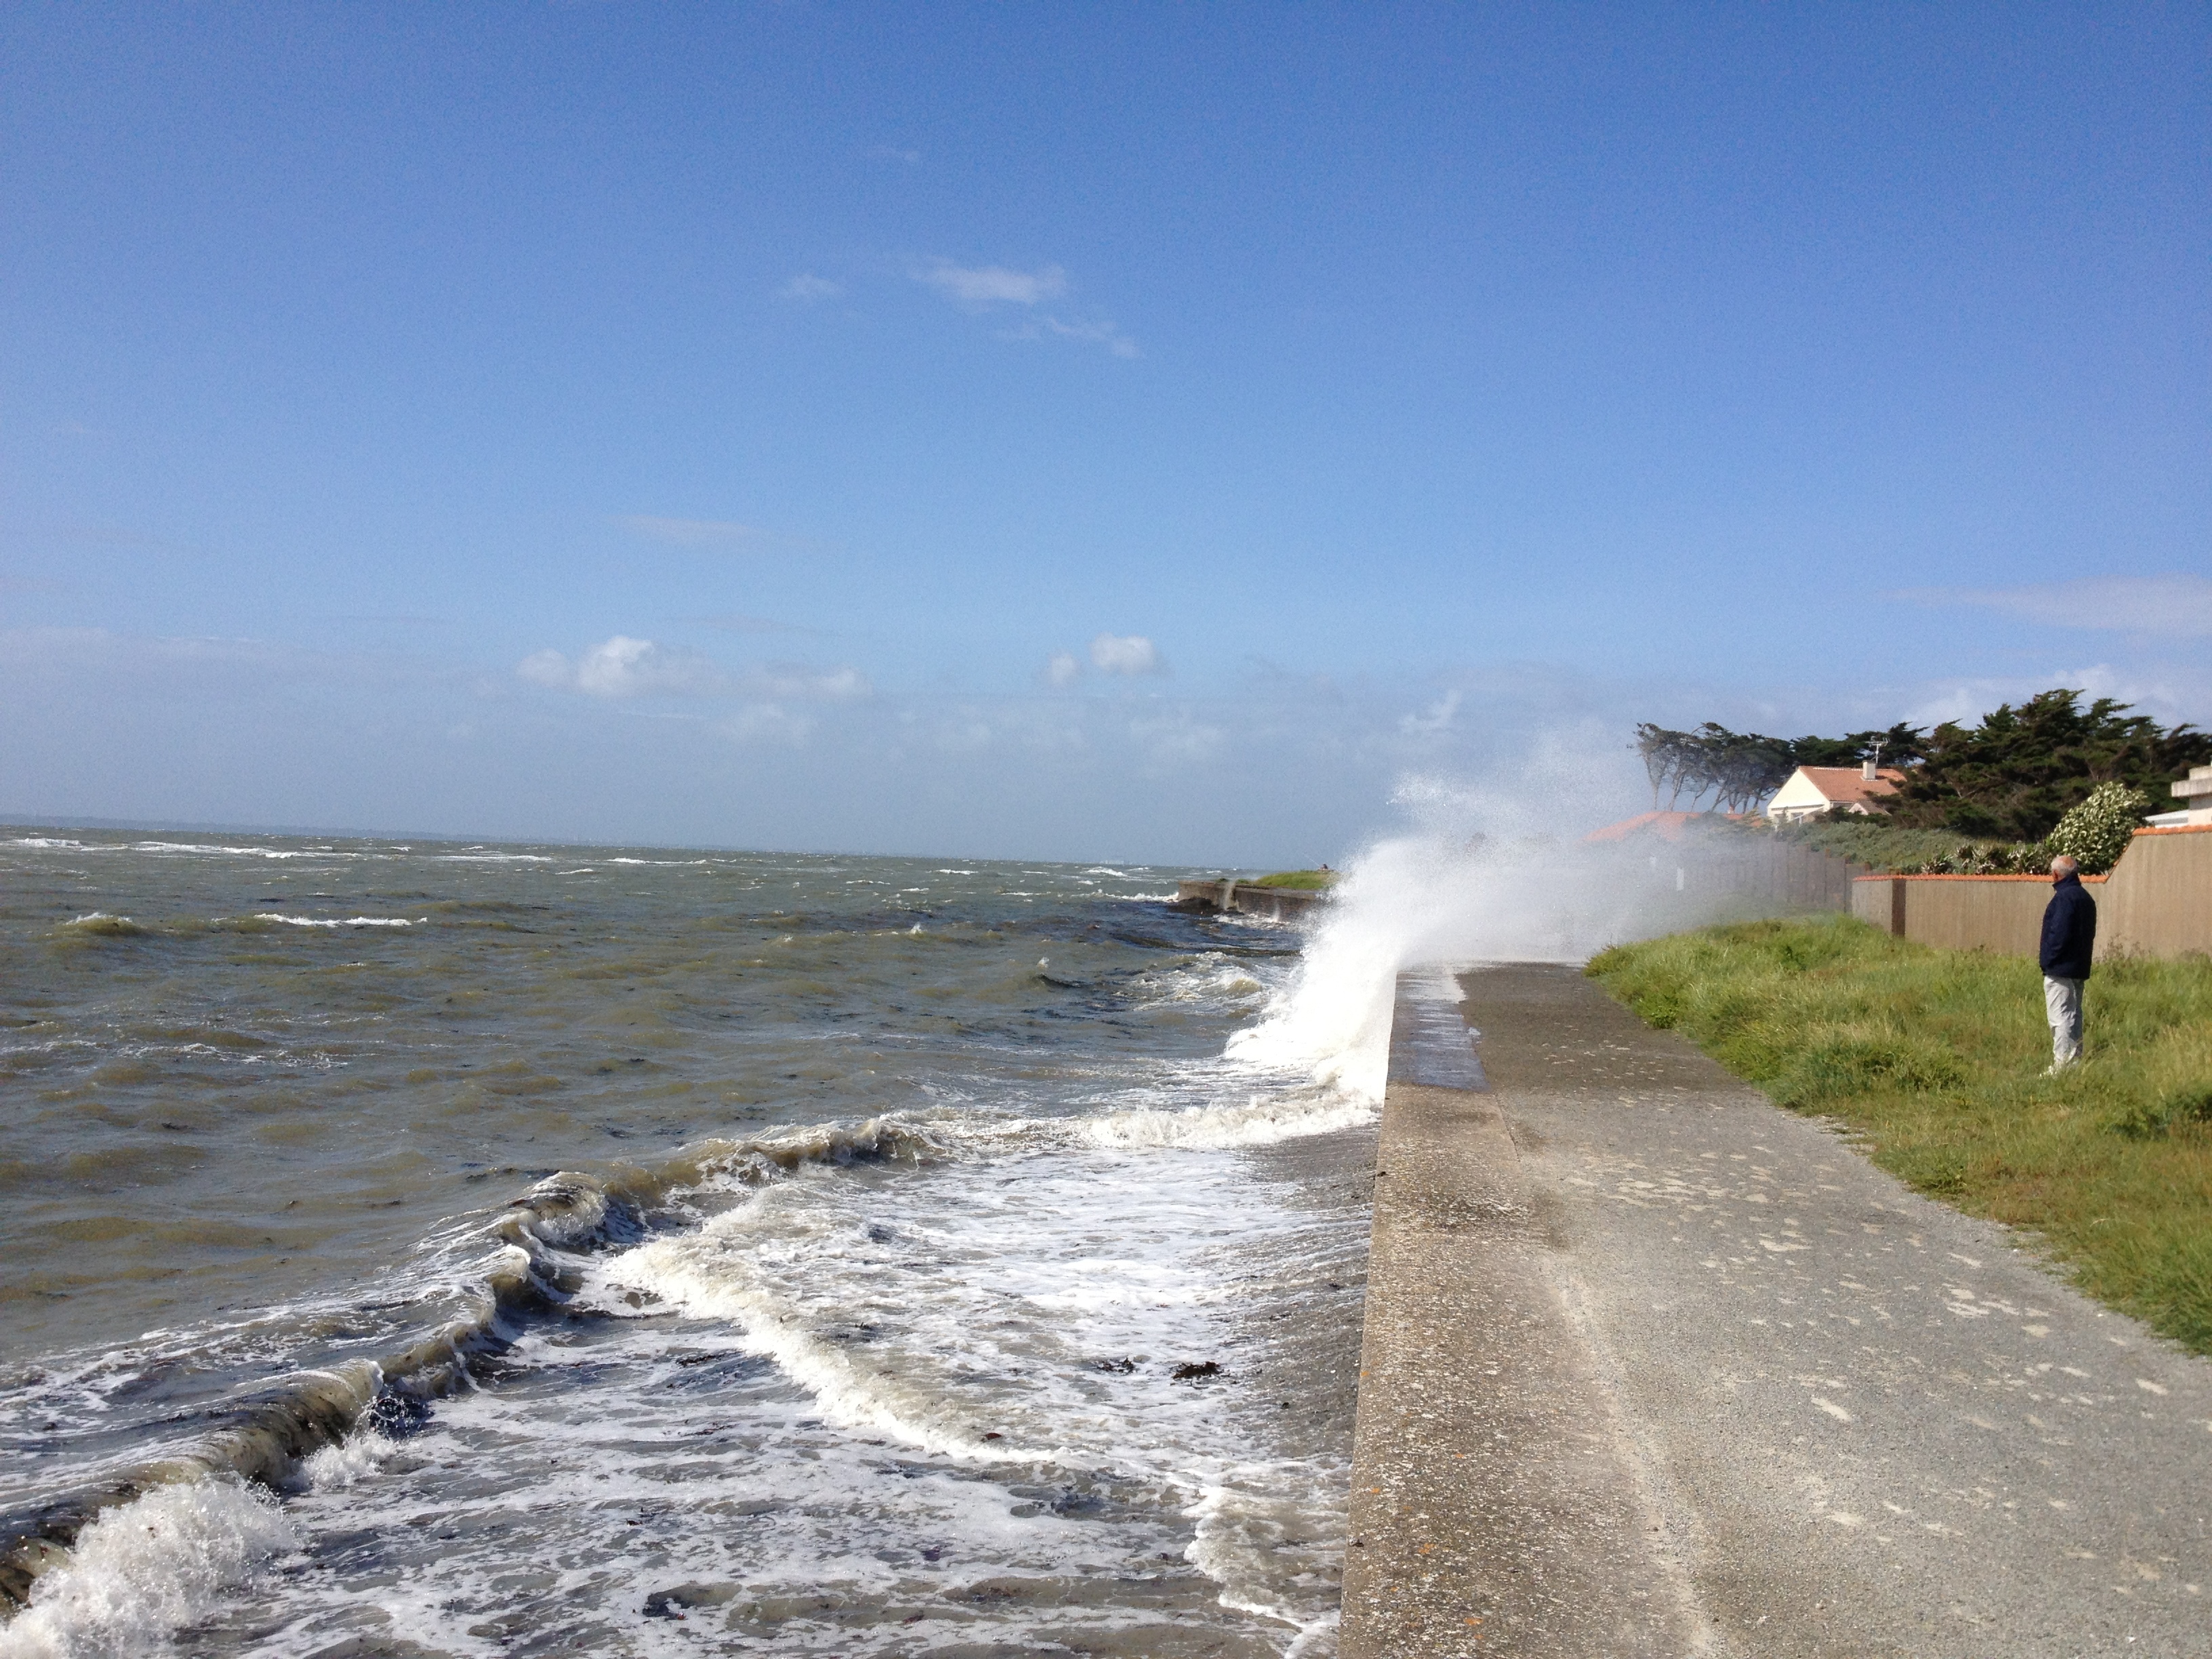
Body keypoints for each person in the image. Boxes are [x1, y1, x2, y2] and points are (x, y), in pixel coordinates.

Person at [2039, 853, 2097, 1072]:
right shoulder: (2085, 898)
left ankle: (2062, 1064)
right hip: (2079, 967)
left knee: (2060, 1017)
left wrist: (2047, 960)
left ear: (2056, 874)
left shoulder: (2063, 899)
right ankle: (2074, 1062)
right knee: (2074, 1016)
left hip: (2060, 968)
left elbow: (2058, 935)